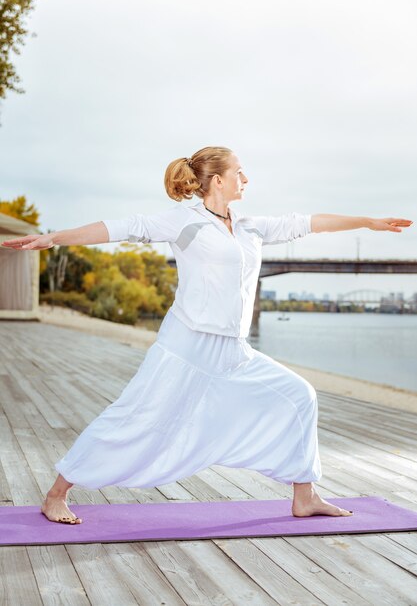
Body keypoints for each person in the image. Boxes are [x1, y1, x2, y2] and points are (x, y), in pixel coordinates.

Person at [2, 146, 412, 525]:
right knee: (134, 419)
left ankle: (304, 496)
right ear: (218, 180)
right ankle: (57, 494)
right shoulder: (186, 222)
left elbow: (310, 223)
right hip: (186, 347)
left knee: (299, 396)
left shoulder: (251, 228)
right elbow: (118, 228)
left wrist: (368, 222)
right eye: (239, 173)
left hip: (234, 351)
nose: (245, 180)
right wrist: (54, 238)